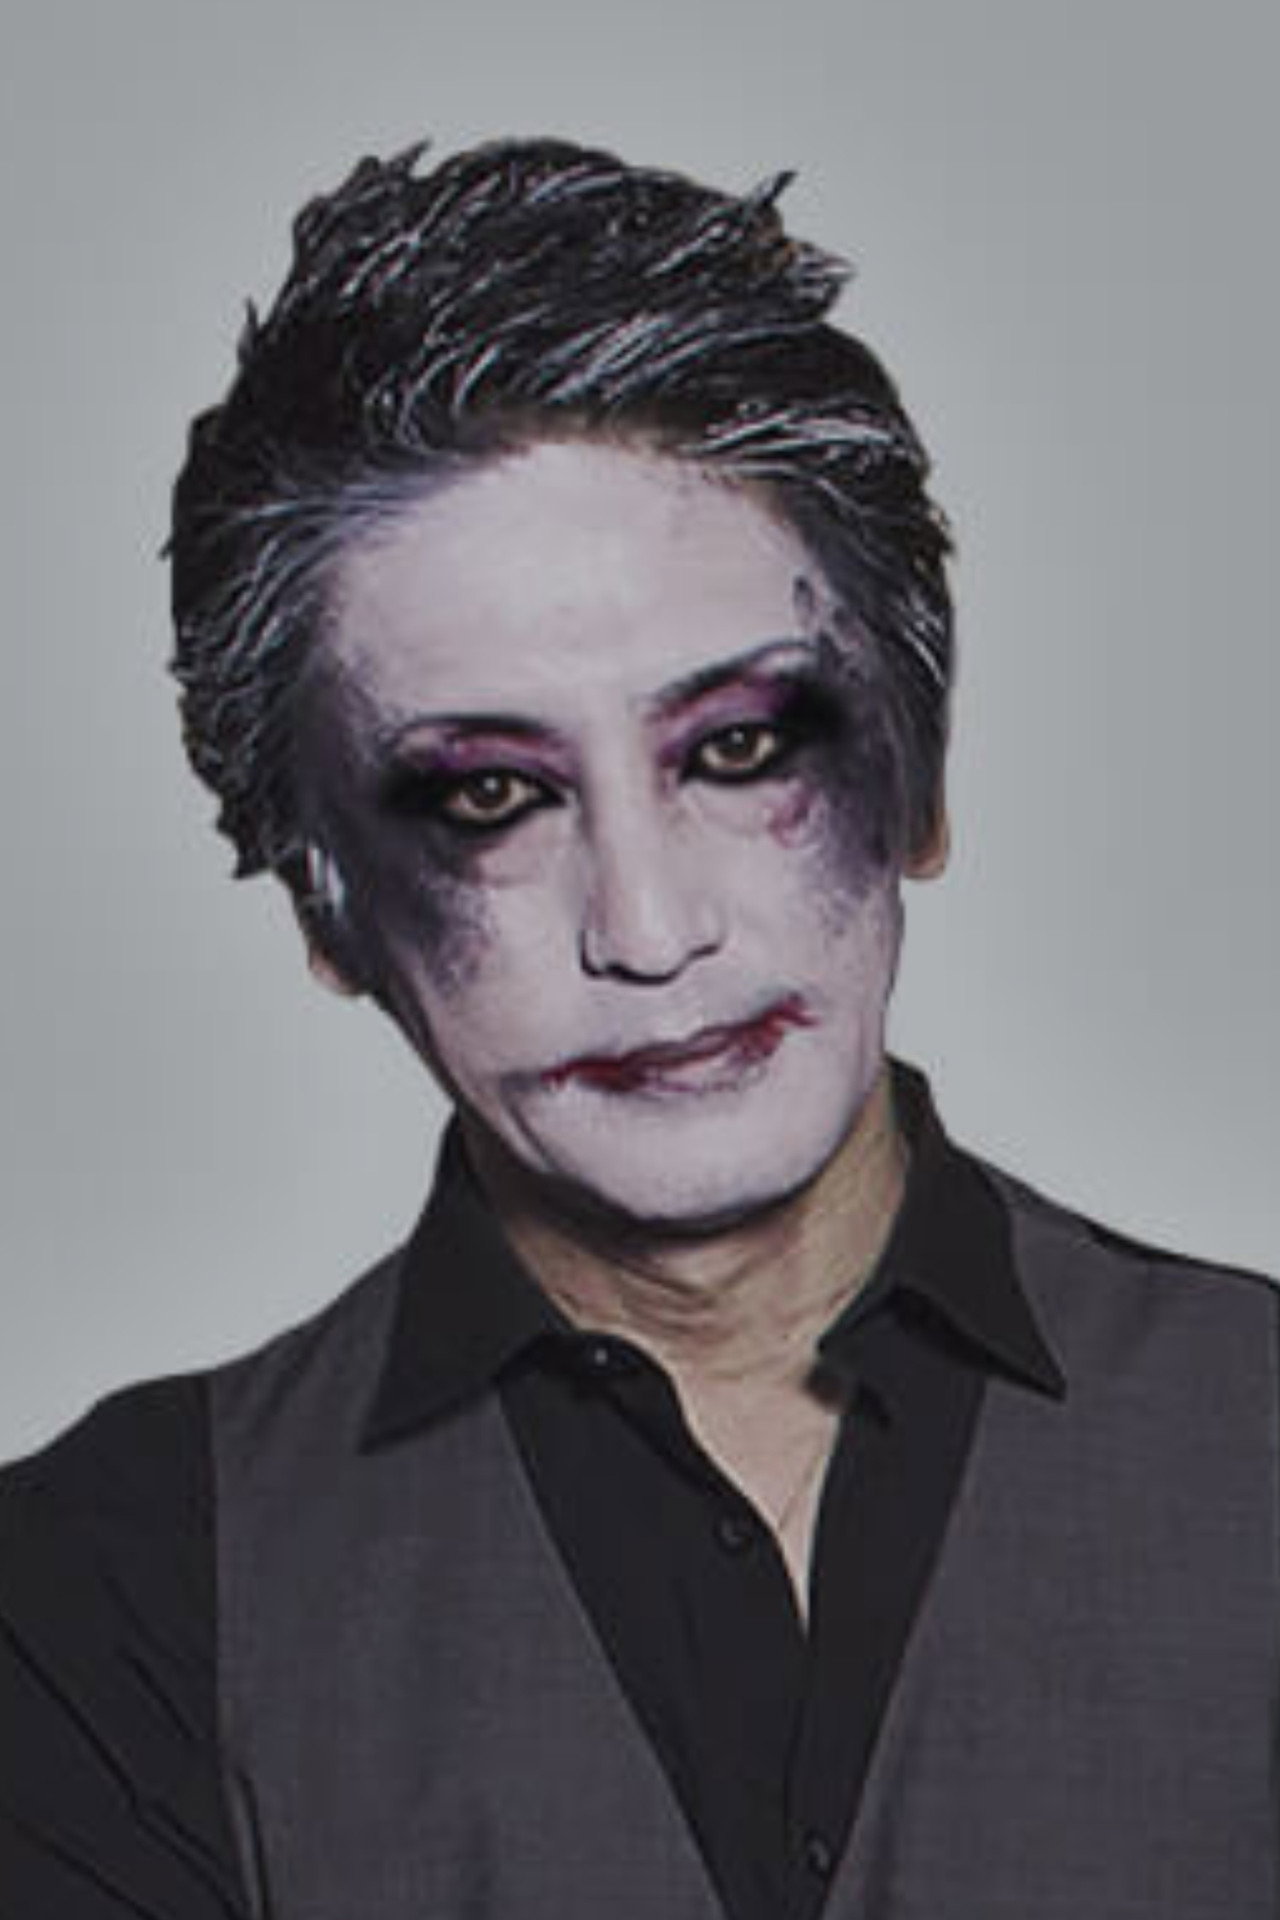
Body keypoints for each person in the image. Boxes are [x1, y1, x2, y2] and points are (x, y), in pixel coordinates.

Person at [1, 137, 1274, 1920]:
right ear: (322, 903)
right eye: (490, 796)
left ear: (917, 778)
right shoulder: (99, 1592)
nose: (652, 929)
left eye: (739, 750)